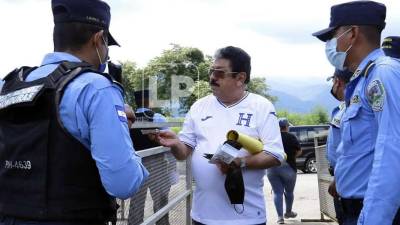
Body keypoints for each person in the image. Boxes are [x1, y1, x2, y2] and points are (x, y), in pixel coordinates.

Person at [0, 0, 148, 224]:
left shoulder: (8, 84)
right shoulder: (97, 88)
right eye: (107, 45)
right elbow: (123, 183)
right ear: (98, 39)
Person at [155, 46, 285, 225]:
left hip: (246, 218)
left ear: (240, 78)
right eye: (211, 71)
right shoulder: (199, 107)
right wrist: (175, 143)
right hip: (202, 216)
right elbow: (183, 152)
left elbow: (275, 154)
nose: (212, 77)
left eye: (220, 73)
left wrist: (241, 163)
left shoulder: (261, 106)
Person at [313, 1, 400, 224]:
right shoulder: (362, 81)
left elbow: (392, 149)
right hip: (352, 206)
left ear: (352, 33)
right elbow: (361, 147)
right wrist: (341, 179)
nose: (331, 44)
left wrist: (374, 219)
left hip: (373, 211)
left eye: (333, 36)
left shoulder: (383, 73)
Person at [128, 90, 177, 225]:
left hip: (136, 166)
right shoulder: (158, 118)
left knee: (136, 204)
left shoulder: (128, 120)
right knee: (161, 201)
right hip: (157, 166)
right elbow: (170, 144)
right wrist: (173, 170)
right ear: (148, 101)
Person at [326, 69, 353, 225]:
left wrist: (338, 178)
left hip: (344, 178)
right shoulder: (340, 109)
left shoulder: (352, 109)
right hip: (340, 178)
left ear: (337, 81)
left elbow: (349, 149)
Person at [267, 118, 301, 224]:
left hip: (272, 167)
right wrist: (292, 157)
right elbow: (299, 151)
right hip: (289, 167)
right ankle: (288, 212)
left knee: (277, 193)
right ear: (286, 126)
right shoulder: (291, 137)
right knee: (289, 192)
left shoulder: (271, 137)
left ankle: (280, 218)